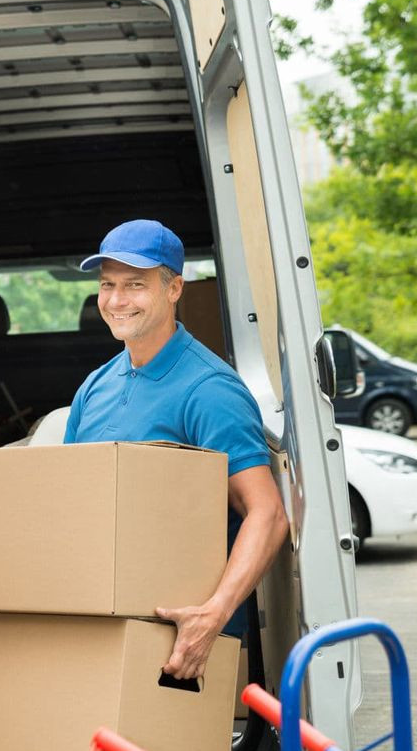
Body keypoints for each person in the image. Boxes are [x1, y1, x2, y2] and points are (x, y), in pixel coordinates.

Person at [64, 219, 289, 680]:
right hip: (98, 620)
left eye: (135, 285)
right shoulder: (96, 385)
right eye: (108, 284)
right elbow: (70, 500)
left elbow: (267, 514)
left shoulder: (210, 389)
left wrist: (213, 616)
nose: (116, 300)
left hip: (176, 637)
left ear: (174, 289)